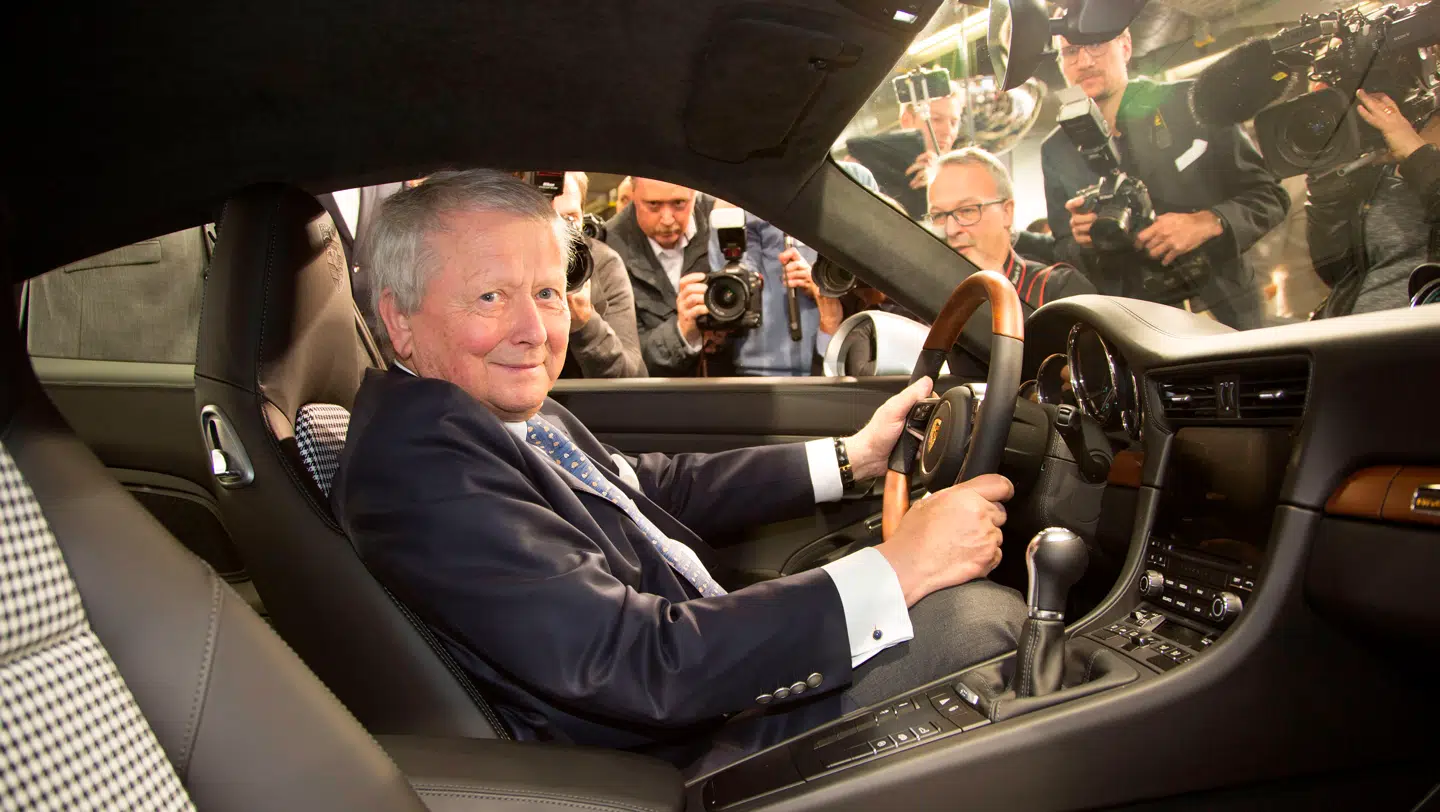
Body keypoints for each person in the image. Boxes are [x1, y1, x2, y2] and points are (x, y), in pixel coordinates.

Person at [334, 169, 1025, 776]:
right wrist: (899, 568)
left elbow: (645, 488)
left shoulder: (478, 409)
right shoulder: (420, 465)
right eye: (490, 297)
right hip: (683, 759)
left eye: (546, 292)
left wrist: (853, 459)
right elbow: (637, 662)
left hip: (703, 687)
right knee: (984, 625)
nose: (535, 331)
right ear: (399, 320)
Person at [1041, 28, 1289, 329]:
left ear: (1125, 46)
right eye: (1070, 52)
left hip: (1224, 311)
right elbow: (1063, 248)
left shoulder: (1192, 102)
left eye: (1095, 44)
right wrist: (1082, 240)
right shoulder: (1055, 150)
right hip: (1134, 323)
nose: (1084, 61)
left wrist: (1209, 221)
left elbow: (1269, 197)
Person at [1307, 88, 1440, 317]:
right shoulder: (1390, 144)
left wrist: (1417, 155)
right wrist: (1328, 189)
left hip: (1422, 333)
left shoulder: (1408, 143)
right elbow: (1335, 272)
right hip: (1358, 331)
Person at [927, 148, 1095, 310]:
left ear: (1007, 212)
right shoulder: (923, 295)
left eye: (967, 211)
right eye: (938, 215)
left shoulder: (1057, 290)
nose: (950, 230)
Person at [704, 203, 844, 376]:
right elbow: (732, 284)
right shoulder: (736, 202)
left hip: (830, 355)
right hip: (755, 367)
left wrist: (821, 281)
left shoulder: (843, 195)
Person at [603, 177, 718, 376]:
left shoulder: (723, 221)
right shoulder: (608, 248)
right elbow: (621, 361)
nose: (667, 219)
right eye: (653, 205)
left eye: (679, 203)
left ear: (694, 193)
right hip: (652, 391)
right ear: (633, 195)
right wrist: (682, 332)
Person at [550, 172, 647, 378]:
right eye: (545, 218)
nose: (558, 233)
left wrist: (585, 323)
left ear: (582, 216)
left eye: (569, 219)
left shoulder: (602, 264)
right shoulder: (494, 263)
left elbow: (633, 378)